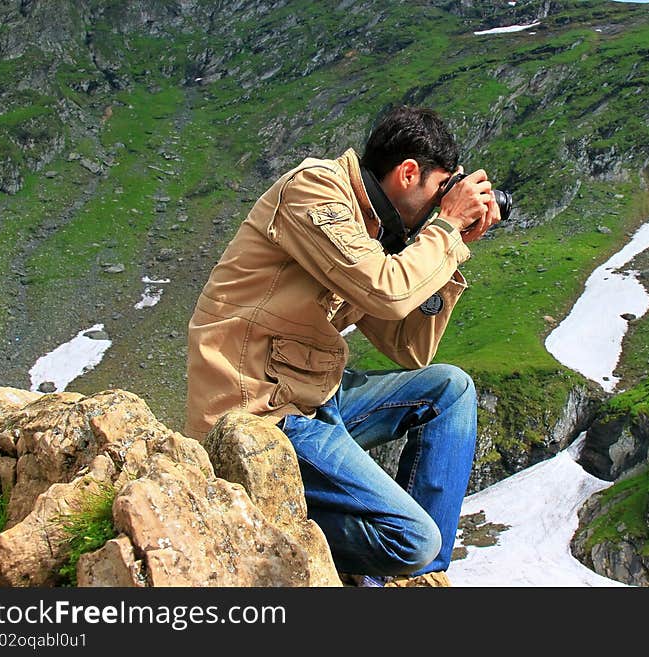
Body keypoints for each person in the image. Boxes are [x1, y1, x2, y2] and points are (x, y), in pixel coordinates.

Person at [184, 106, 501, 585]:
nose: (442, 205)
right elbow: (386, 290)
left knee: (449, 390)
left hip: (314, 398)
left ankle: (418, 578)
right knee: (411, 538)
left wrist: (450, 250)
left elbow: (408, 347)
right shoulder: (314, 190)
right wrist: (446, 228)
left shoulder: (376, 231)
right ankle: (274, 523)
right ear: (408, 172)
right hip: (256, 410)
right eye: (441, 190)